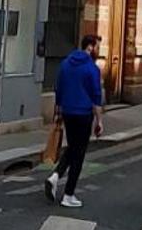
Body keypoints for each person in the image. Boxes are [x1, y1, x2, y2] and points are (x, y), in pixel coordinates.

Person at [45, 34, 104, 209]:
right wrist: (99, 121)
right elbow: (96, 97)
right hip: (84, 114)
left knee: (72, 147)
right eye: (97, 47)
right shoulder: (91, 68)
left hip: (68, 113)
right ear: (90, 47)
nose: (98, 50)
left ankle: (55, 176)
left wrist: (58, 111)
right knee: (79, 154)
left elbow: (59, 88)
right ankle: (68, 195)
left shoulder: (65, 64)